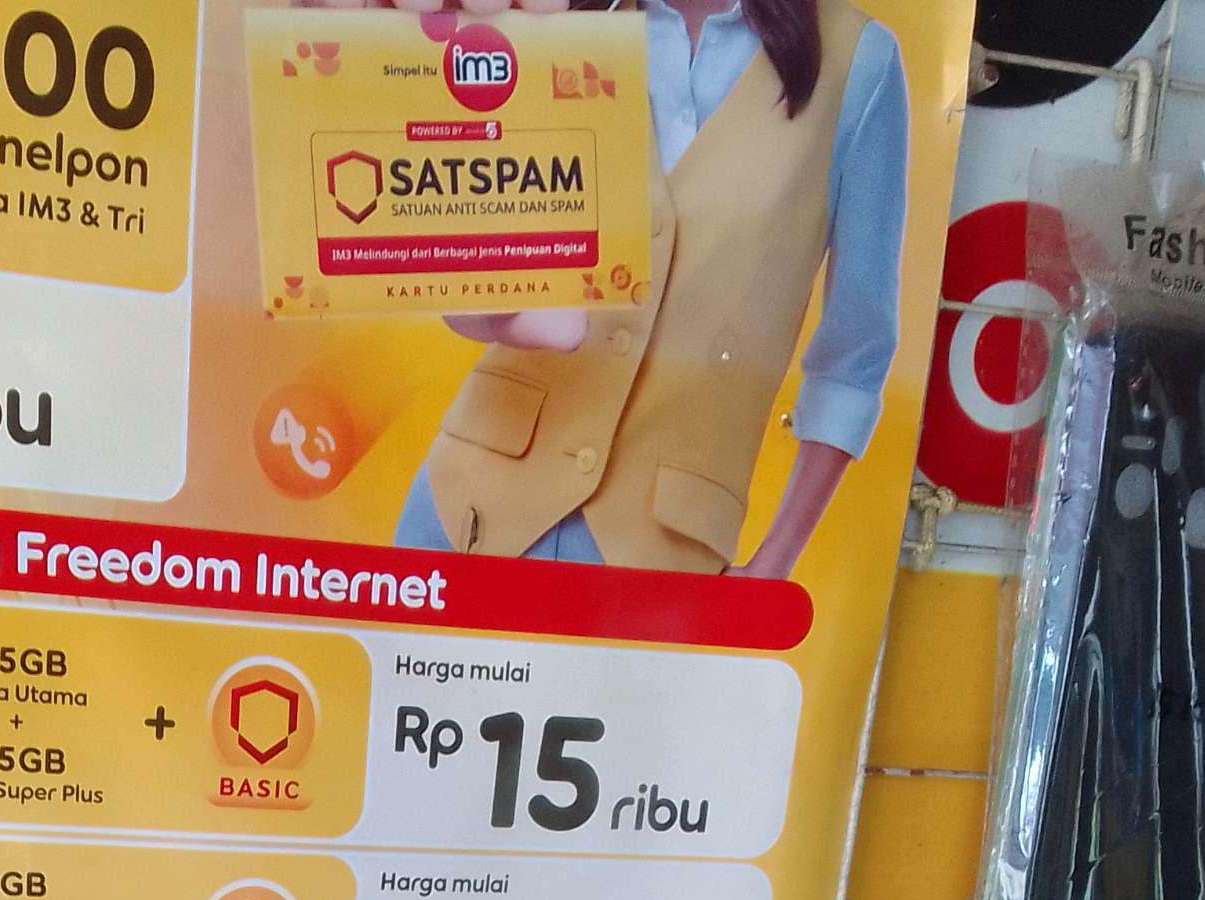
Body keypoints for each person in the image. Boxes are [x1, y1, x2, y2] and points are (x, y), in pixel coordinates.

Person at [374, 0, 911, 574]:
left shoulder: (859, 64)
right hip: (467, 508)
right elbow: (464, 263)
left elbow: (855, 357)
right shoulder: (554, 19)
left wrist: (775, 561)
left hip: (664, 552)